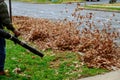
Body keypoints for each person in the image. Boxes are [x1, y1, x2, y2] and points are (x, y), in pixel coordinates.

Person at [0, 0, 20, 75]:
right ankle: (0, 70)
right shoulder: (1, 4)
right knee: (1, 50)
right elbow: (6, 21)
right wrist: (14, 30)